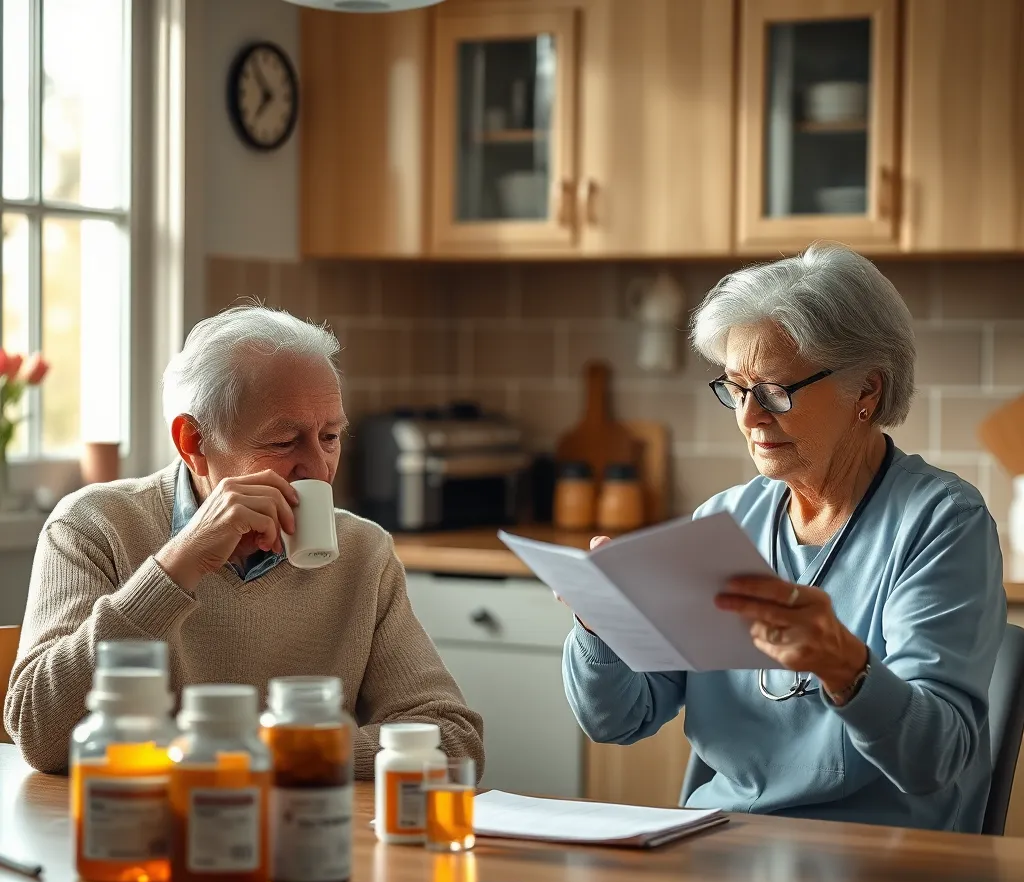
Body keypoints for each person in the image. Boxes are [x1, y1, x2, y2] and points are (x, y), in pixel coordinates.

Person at [563, 242, 1005, 832]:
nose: (748, 416)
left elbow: (936, 758)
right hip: (724, 844)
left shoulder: (940, 522)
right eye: (736, 388)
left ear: (867, 392)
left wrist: (843, 665)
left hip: (881, 858)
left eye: (774, 391)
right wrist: (600, 623)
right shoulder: (722, 521)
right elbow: (618, 719)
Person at [5, 305, 484, 776]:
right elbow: (39, 731)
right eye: (283, 442)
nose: (317, 470)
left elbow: (454, 740)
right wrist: (177, 566)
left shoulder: (362, 552)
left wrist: (260, 751)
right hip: (142, 832)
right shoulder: (93, 526)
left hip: (306, 835)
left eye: (331, 437)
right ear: (193, 443)